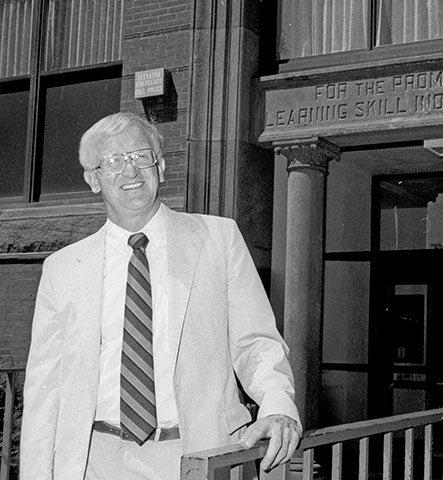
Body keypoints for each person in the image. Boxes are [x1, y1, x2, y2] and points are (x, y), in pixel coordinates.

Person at [20, 112, 301, 480]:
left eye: (141, 156)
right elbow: (46, 388)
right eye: (113, 161)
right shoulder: (64, 267)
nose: (130, 171)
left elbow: (257, 343)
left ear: (162, 166)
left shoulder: (218, 240)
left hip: (195, 453)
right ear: (93, 179)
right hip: (94, 458)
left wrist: (277, 406)